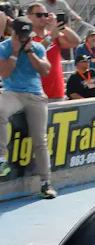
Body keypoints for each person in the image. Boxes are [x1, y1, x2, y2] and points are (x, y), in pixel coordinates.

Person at [0, 17, 56, 199]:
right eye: (21, 36)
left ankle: (46, 183)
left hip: (35, 95)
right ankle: (1, 159)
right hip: (12, 93)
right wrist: (15, 52)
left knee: (40, 140)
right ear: (13, 33)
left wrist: (30, 52)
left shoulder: (37, 47)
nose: (24, 39)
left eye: (27, 35)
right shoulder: (4, 47)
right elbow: (4, 73)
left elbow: (45, 70)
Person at [27, 2, 80, 102]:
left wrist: (60, 26)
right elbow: (36, 51)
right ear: (29, 17)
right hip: (35, 94)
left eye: (45, 15)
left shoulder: (54, 35)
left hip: (56, 92)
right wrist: (51, 37)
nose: (43, 18)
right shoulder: (27, 37)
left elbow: (76, 42)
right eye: (39, 15)